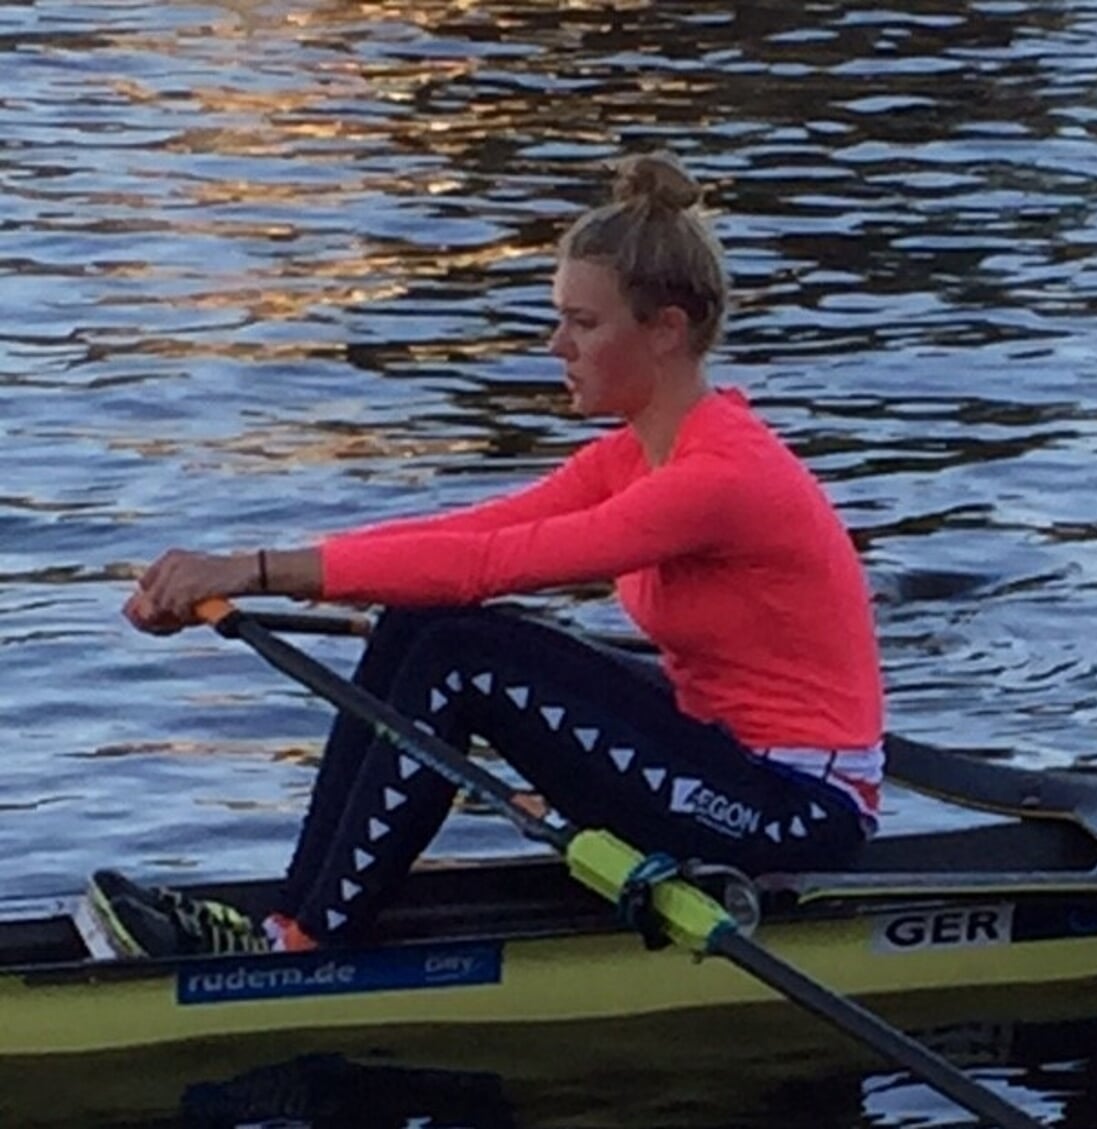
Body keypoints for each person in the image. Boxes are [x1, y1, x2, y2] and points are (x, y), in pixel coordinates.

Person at [91, 151, 886, 957]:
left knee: (462, 658)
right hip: (718, 761)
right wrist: (262, 566)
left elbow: (493, 566)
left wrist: (254, 571)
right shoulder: (638, 453)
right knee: (418, 623)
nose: (556, 346)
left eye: (583, 323)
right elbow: (467, 535)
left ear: (666, 330)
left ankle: (307, 948)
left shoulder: (718, 476)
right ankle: (293, 919)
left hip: (793, 810)